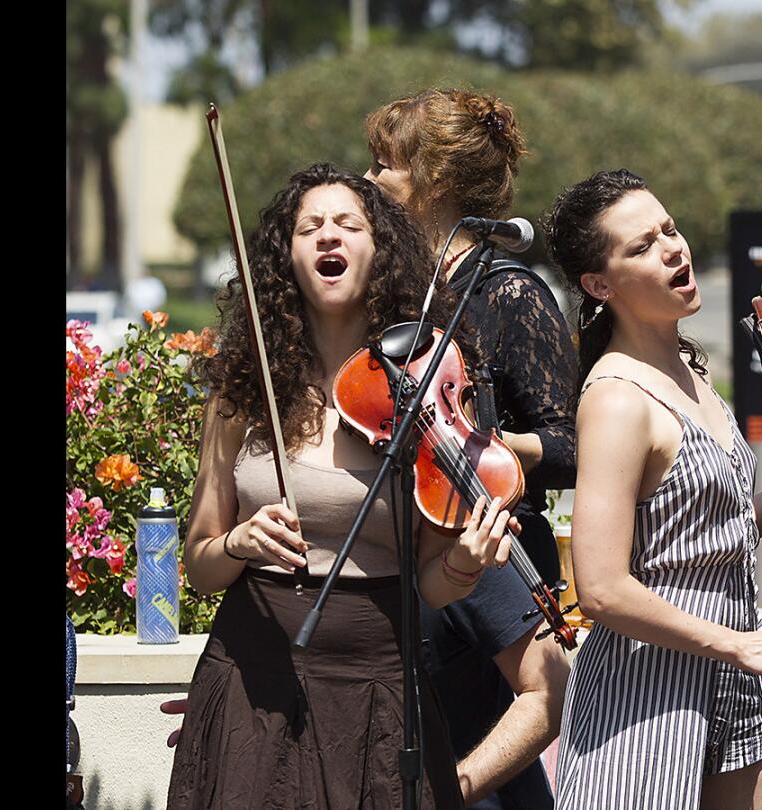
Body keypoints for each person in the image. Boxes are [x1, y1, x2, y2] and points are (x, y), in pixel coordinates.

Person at [167, 163, 521, 810]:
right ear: (288, 256)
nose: (328, 236)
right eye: (310, 227)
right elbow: (200, 563)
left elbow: (430, 583)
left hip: (379, 683)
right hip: (253, 675)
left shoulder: (422, 385)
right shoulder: (244, 388)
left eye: (347, 224)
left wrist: (465, 564)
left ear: (379, 249)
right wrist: (240, 543)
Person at [542, 169, 762, 810]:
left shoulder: (691, 372)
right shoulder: (616, 398)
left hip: (734, 680)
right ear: (598, 284)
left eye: (669, 230)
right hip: (647, 695)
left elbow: (715, 535)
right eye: (642, 246)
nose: (674, 248)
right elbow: (603, 588)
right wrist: (738, 644)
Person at [362, 88, 576, 809]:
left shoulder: (510, 292)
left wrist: (484, 443)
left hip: (498, 554)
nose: (370, 181)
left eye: (384, 165)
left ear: (437, 181)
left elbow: (574, 441)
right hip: (426, 543)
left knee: (489, 763)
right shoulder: (400, 297)